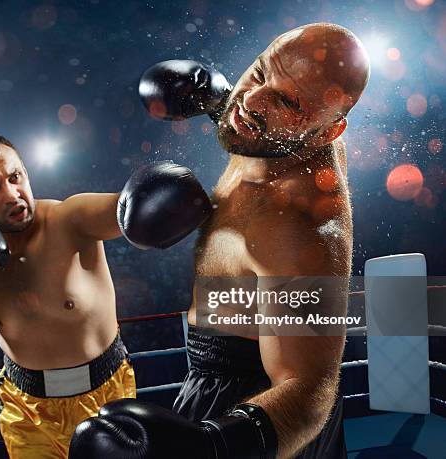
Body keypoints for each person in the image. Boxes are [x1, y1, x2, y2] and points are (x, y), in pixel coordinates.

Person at [70, 22, 370, 458]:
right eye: (262, 72)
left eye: (287, 101)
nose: (250, 100)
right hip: (221, 368)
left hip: (257, 405)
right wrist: (213, 97)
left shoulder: (297, 228)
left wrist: (211, 445)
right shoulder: (273, 130)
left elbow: (309, 391)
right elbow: (259, 103)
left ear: (327, 133)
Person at [0, 134, 210, 458]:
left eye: (15, 177)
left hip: (105, 396)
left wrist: (159, 200)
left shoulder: (69, 219)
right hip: (26, 411)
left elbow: (125, 207)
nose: (12, 194)